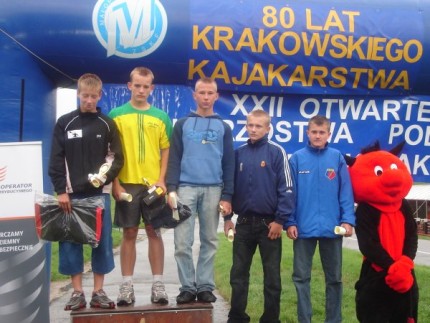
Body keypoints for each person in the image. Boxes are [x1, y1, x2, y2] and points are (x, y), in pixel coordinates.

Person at [48, 73, 124, 310]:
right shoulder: (65, 122)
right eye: (85, 95)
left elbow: (117, 158)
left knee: (101, 242)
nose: (89, 100)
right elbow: (56, 158)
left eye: (93, 96)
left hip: (98, 195)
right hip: (70, 196)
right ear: (78, 94)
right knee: (70, 241)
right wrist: (61, 190)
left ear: (100, 95)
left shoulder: (107, 123)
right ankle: (77, 292)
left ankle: (98, 291)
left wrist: (104, 179)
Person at [166, 77, 235, 304]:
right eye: (201, 93)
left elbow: (229, 164)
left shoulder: (223, 127)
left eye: (210, 93)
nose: (206, 97)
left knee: (209, 240)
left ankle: (205, 286)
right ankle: (187, 287)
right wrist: (171, 189)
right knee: (182, 242)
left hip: (213, 189)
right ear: (194, 95)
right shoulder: (182, 124)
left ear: (216, 96)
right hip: (185, 188)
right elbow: (174, 158)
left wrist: (227, 196)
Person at [108, 67, 172, 306]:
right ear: (129, 86)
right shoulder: (116, 114)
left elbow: (166, 149)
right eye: (137, 85)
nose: (141, 90)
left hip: (153, 185)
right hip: (126, 183)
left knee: (155, 232)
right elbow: (110, 153)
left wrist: (162, 180)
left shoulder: (161, 117)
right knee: (130, 233)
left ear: (151, 88)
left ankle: (158, 285)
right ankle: (126, 285)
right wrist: (115, 183)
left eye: (146, 86)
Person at [224, 110, 295, 323]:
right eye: (250, 125)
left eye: (258, 126)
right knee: (238, 275)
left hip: (269, 225)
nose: (253, 129)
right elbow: (228, 188)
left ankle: (271, 319)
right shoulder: (239, 153)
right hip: (243, 223)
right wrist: (227, 219)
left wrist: (280, 220)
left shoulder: (277, 152)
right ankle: (237, 317)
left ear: (268, 129)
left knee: (272, 278)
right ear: (246, 126)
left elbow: (287, 188)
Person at [285, 115, 356, 323]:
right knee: (301, 278)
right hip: (303, 229)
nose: (317, 136)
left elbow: (345, 192)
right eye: (314, 132)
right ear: (307, 133)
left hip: (332, 229)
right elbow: (290, 194)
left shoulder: (337, 158)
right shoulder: (296, 158)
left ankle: (333, 320)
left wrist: (347, 220)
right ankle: (304, 320)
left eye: (321, 132)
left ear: (328, 134)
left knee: (334, 279)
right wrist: (290, 222)